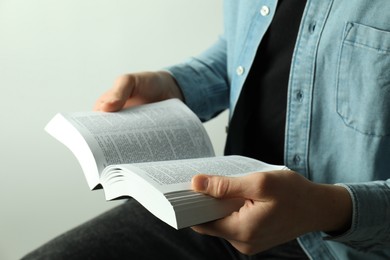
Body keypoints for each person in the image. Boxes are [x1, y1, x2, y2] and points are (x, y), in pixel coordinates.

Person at [23, 0, 390, 259]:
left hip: (340, 245)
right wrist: (177, 85)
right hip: (211, 212)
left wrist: (326, 209)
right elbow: (241, 49)